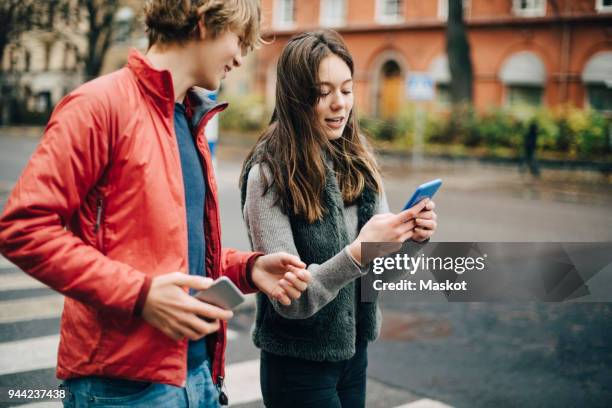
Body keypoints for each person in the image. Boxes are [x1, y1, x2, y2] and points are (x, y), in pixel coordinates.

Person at [0, 1, 311, 407]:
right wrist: (140, 295)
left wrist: (248, 269)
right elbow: (23, 228)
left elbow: (175, 253)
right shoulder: (98, 105)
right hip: (120, 386)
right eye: (238, 39)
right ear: (204, 22)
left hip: (197, 375)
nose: (239, 57)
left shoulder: (189, 118)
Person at [239, 30, 438, 407]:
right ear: (296, 96)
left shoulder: (359, 162)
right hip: (296, 365)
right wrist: (359, 253)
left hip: (354, 354)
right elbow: (291, 300)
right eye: (323, 91)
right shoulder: (268, 174)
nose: (339, 105)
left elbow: (384, 274)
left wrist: (412, 237)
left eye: (346, 90)